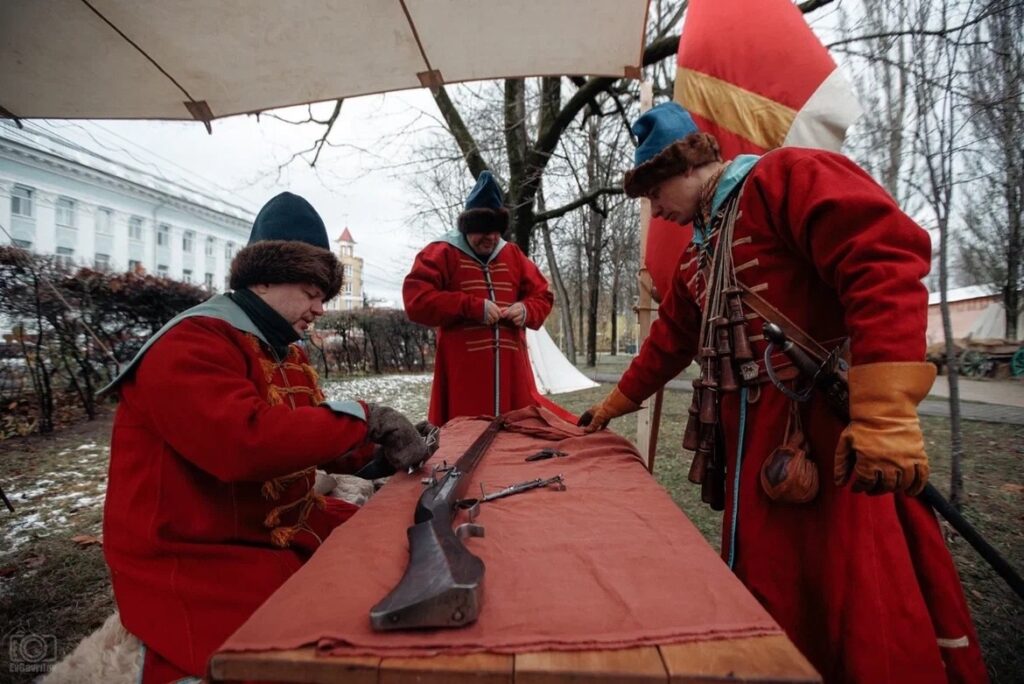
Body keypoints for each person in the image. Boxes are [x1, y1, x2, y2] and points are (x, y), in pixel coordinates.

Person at [580, 103, 987, 682]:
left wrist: (885, 415)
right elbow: (671, 338)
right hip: (751, 439)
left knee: (849, 586)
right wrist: (617, 402)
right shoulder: (701, 249)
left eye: (654, 192)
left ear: (686, 168)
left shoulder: (783, 178)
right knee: (771, 583)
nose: (656, 211)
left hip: (825, 427)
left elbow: (884, 260)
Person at [101, 192, 428, 681]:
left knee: (395, 557)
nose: (320, 308)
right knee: (314, 648)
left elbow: (305, 429)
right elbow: (243, 443)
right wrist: (365, 417)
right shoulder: (191, 343)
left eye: (324, 295)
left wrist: (377, 452)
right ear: (266, 277)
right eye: (312, 290)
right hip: (199, 553)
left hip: (274, 526)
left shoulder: (282, 349)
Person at [404, 171, 572, 425]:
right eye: (483, 230)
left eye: (495, 231)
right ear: (468, 228)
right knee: (465, 444)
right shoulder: (442, 252)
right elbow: (416, 300)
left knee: (515, 445)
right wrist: (471, 307)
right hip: (464, 380)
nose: (491, 238)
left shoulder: (512, 254)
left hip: (513, 378)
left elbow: (542, 295)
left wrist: (526, 310)